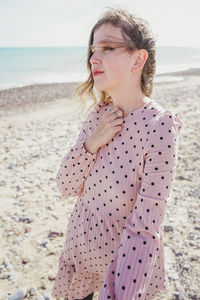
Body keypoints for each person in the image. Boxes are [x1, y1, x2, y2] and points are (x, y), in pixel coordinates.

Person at [51, 7, 183, 300]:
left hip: (123, 267)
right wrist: (92, 143)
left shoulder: (160, 126)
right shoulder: (98, 115)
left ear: (138, 58)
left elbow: (145, 227)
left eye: (108, 48)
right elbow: (65, 185)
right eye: (93, 49)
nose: (93, 59)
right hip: (81, 255)